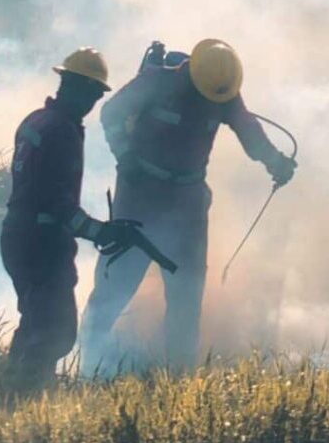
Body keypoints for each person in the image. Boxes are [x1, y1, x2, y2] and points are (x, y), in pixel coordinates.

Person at [79, 38, 296, 372]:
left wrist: (276, 162)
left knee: (186, 295)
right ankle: (86, 365)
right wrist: (124, 156)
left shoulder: (221, 92)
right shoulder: (157, 81)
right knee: (116, 283)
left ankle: (178, 376)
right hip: (139, 196)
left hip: (188, 204)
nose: (208, 102)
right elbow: (110, 114)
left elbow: (249, 131)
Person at [0, 48, 161, 389]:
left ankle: (11, 388)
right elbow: (56, 202)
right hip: (42, 244)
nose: (93, 103)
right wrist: (98, 231)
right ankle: (25, 398)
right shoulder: (62, 131)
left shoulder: (34, 120)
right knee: (54, 331)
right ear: (79, 89)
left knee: (36, 322)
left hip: (17, 235)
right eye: (93, 94)